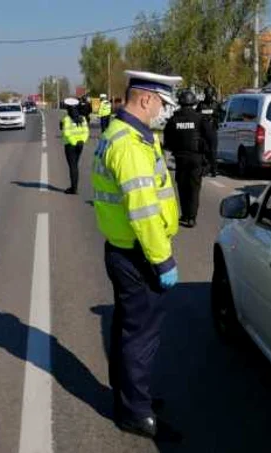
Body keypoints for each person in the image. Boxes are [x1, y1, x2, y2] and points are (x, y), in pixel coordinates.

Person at [91, 70, 181, 439]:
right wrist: (162, 260)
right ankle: (134, 412)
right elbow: (143, 210)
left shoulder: (128, 135)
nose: (166, 111)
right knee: (140, 337)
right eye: (164, 103)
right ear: (146, 99)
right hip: (139, 254)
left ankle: (130, 398)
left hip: (124, 250)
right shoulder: (129, 145)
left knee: (128, 331)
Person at [163, 89, 211, 229]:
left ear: (180, 103)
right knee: (194, 189)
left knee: (183, 187)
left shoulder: (174, 119)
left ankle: (185, 215)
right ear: (193, 103)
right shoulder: (200, 118)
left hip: (180, 159)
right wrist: (209, 160)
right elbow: (210, 138)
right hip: (197, 158)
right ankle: (192, 218)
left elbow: (168, 140)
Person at [60, 98, 89, 195]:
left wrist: (74, 142)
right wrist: (82, 141)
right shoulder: (83, 118)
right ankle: (74, 187)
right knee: (75, 166)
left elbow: (67, 133)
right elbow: (86, 132)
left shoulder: (67, 119)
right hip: (80, 145)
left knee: (72, 166)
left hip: (70, 146)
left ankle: (73, 188)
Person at [195, 86, 220, 177]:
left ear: (212, 94)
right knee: (203, 151)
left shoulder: (216, 104)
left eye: (210, 93)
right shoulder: (201, 105)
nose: (209, 95)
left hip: (212, 130)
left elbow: (220, 115)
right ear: (205, 94)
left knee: (213, 151)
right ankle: (205, 169)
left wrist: (214, 116)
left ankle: (213, 169)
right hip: (202, 131)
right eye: (207, 93)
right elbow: (196, 115)